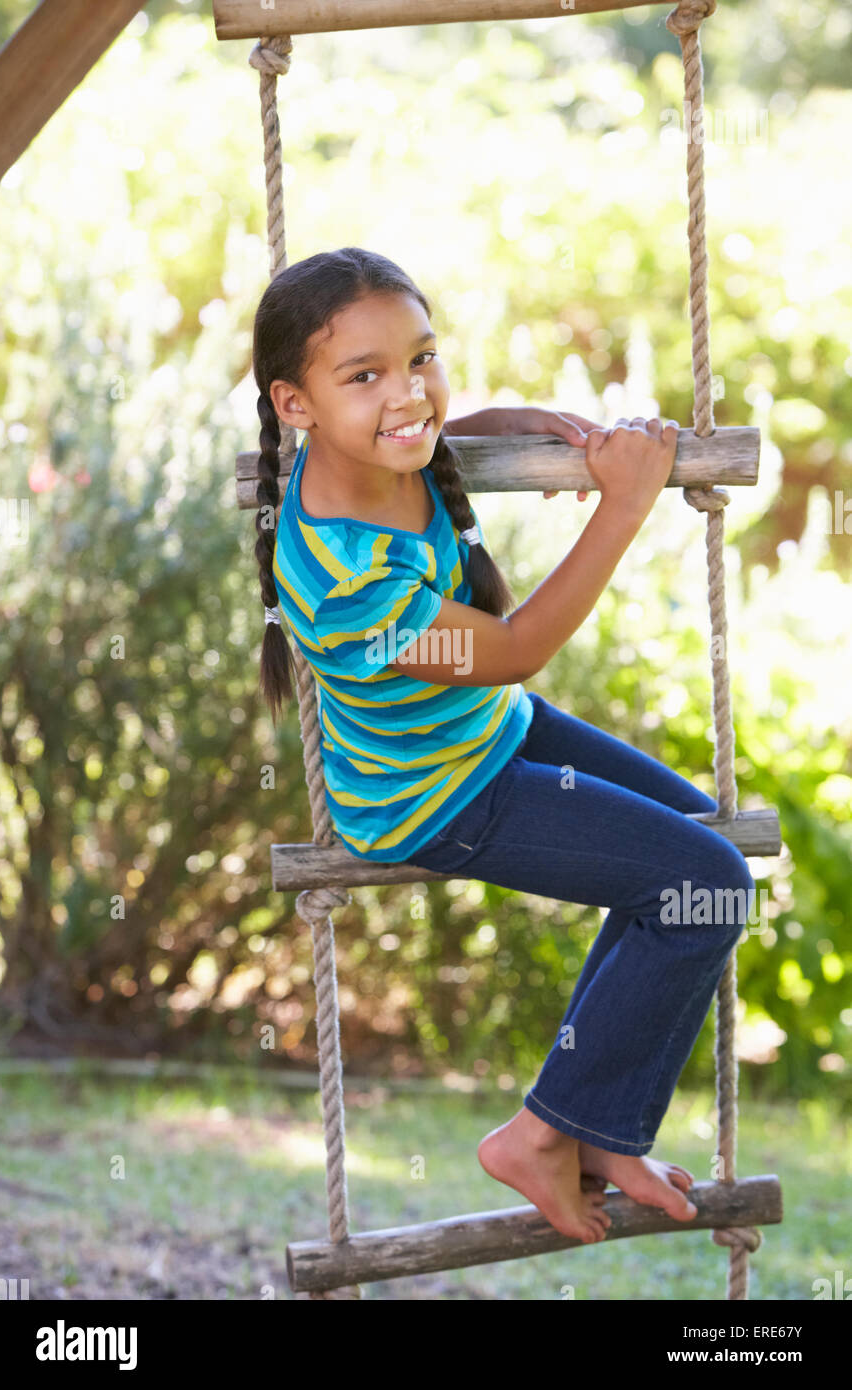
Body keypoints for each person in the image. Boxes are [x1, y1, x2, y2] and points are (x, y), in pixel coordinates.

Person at [251, 246, 756, 1245]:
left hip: (491, 737)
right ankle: (540, 1130)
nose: (407, 394)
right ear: (293, 405)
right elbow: (516, 647)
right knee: (707, 885)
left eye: (422, 359)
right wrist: (621, 506)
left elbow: (420, 438)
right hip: (439, 797)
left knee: (694, 847)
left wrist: (502, 424)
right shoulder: (353, 589)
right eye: (365, 376)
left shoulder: (362, 448)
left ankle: (596, 1129)